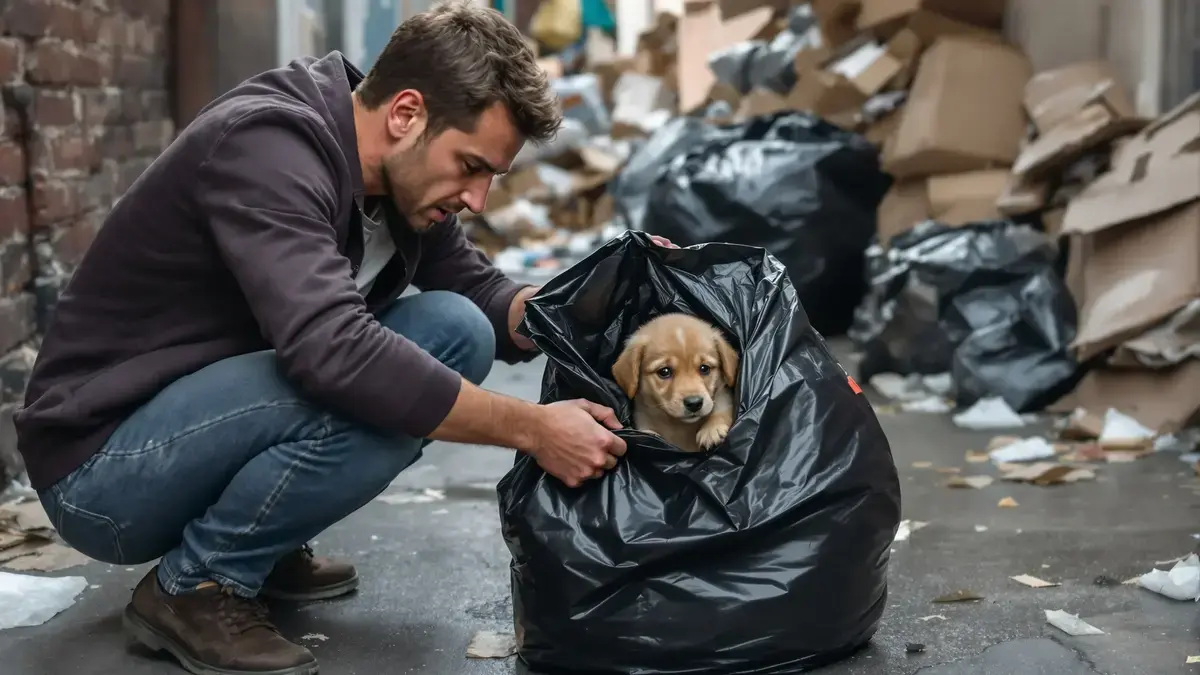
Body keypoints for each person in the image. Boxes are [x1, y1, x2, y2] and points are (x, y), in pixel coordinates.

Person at [15, 3, 674, 674]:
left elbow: (486, 298)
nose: (478, 200)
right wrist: (534, 428)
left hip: (199, 426)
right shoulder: (269, 148)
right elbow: (333, 350)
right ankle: (197, 584)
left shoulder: (398, 173)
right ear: (406, 114)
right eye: (472, 166)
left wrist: (597, 301)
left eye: (490, 179)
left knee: (456, 330)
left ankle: (262, 538)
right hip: (103, 472)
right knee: (367, 371)